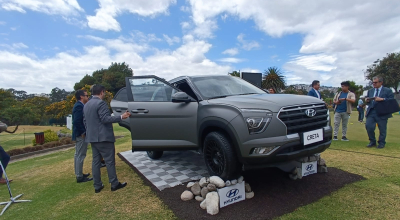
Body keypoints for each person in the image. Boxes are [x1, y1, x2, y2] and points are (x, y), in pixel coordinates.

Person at [83, 85, 131, 193]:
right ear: (101, 92)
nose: (104, 94)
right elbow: (105, 119)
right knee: (109, 161)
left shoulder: (87, 105)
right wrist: (121, 117)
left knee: (96, 162)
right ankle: (114, 184)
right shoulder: (101, 103)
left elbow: (85, 121)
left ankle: (97, 186)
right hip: (103, 137)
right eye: (104, 93)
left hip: (92, 137)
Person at [365, 76, 394, 149]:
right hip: (371, 111)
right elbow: (368, 102)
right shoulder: (370, 91)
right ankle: (372, 141)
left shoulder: (387, 90)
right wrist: (367, 101)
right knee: (369, 126)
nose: (374, 84)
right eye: (373, 82)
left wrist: (382, 99)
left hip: (382, 112)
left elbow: (391, 100)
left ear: (381, 82)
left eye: (375, 82)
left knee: (382, 129)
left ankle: (381, 143)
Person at [72, 90, 93, 183]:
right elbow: (77, 121)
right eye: (86, 95)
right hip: (80, 135)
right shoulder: (79, 106)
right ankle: (79, 176)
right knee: (80, 154)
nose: (88, 97)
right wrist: (83, 132)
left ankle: (79, 173)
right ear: (81, 97)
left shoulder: (80, 106)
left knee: (78, 154)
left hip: (79, 134)